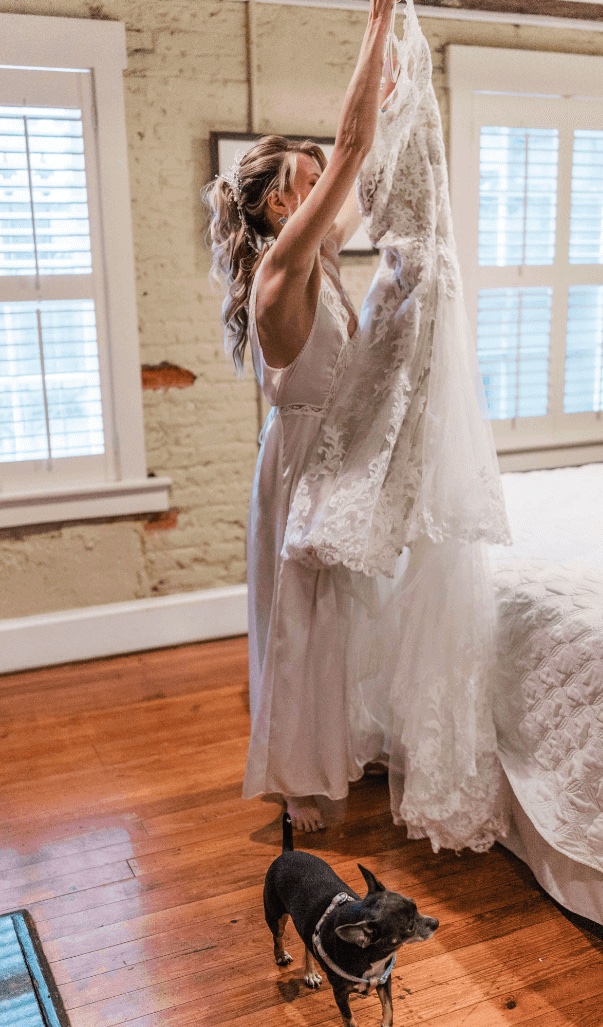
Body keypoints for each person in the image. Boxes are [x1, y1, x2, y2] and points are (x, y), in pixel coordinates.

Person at [203, 0, 397, 832]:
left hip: (330, 449)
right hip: (302, 456)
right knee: (300, 621)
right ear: (281, 208)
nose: (328, 193)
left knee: (333, 617)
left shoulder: (312, 254)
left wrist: (393, 101)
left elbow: (362, 166)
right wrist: (377, 24)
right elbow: (351, 151)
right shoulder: (283, 265)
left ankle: (334, 746)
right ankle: (293, 776)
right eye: (310, 185)